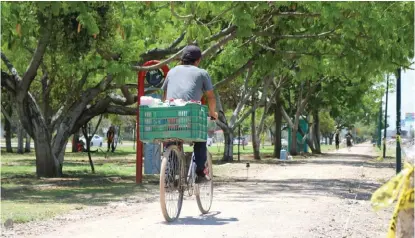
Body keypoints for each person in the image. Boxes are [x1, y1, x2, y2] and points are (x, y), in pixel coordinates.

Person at [161, 45, 218, 184]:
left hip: (171, 115)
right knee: (200, 136)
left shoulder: (172, 71)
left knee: (171, 138)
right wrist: (212, 113)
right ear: (198, 60)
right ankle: (199, 172)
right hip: (190, 117)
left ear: (182, 59)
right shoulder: (202, 73)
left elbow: (164, 95)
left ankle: (169, 171)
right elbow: (210, 97)